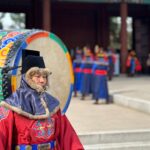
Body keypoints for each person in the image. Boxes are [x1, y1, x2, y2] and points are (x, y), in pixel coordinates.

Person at [0, 53, 84, 149]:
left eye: (44, 76)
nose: (42, 80)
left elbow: (68, 136)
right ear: (26, 78)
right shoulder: (11, 105)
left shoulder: (52, 104)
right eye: (37, 76)